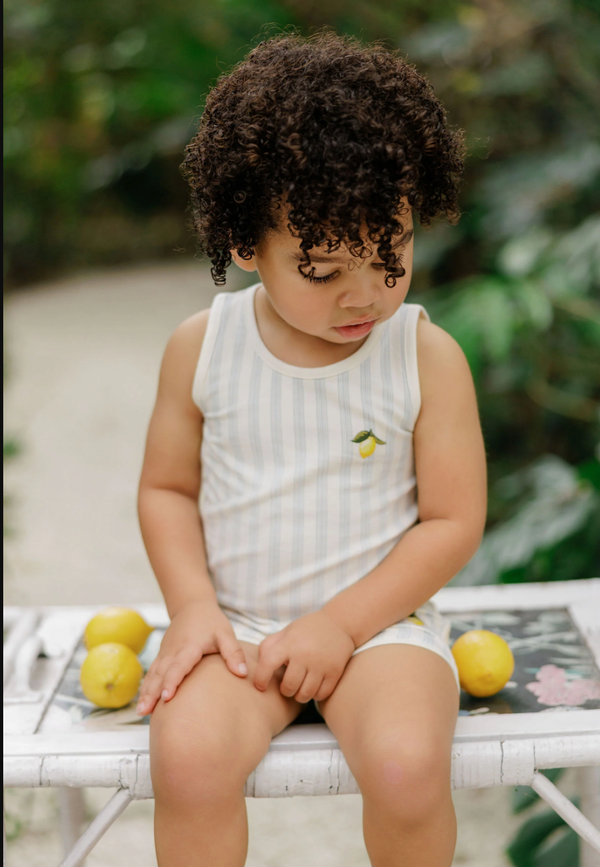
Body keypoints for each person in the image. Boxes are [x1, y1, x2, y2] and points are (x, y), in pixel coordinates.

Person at [136, 30, 487, 867]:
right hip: (238, 628)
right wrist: (194, 608)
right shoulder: (202, 347)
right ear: (245, 245)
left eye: (389, 251)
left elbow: (451, 520)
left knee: (406, 765)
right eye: (323, 270)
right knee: (186, 760)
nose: (364, 293)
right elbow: (166, 490)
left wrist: (338, 624)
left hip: (380, 628)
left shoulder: (425, 355)